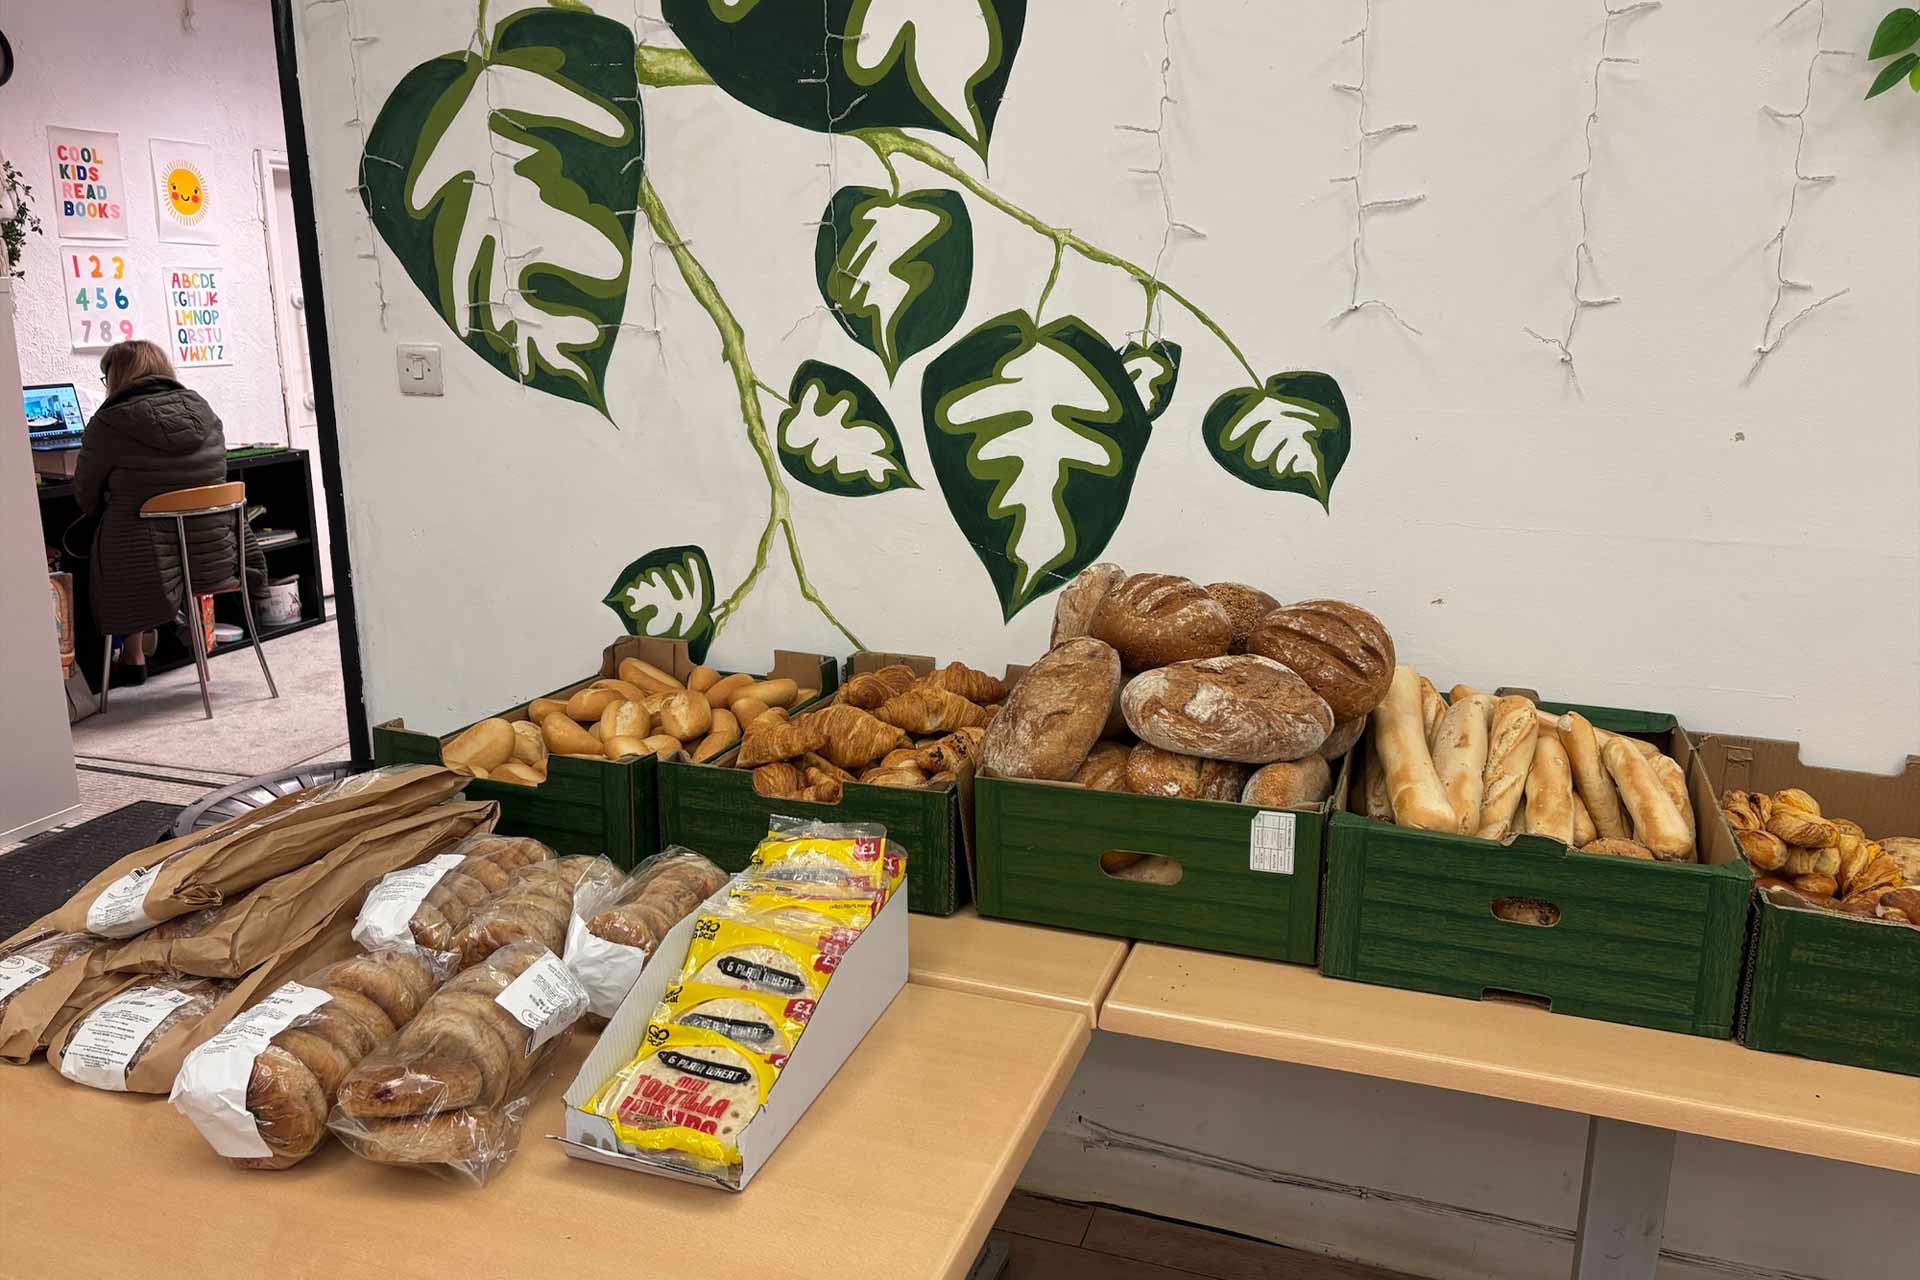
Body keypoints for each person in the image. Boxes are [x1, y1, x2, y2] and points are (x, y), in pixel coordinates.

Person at [67, 339, 266, 689]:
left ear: (117, 377)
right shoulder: (202, 409)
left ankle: (130, 655)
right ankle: (174, 636)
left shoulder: (108, 422)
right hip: (212, 555)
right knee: (139, 529)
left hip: (148, 563)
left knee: (98, 541)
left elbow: (86, 495)